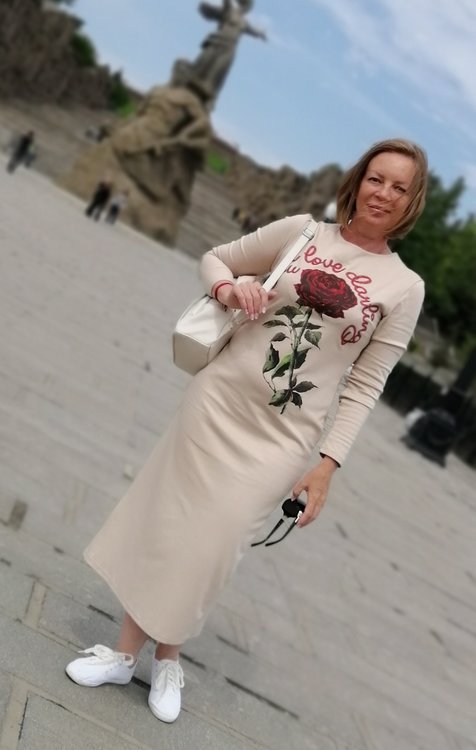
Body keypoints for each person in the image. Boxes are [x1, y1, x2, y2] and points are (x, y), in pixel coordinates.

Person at [65, 139, 428, 724]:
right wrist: (230, 289)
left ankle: (169, 658)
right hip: (218, 403)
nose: (383, 193)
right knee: (170, 525)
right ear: (358, 181)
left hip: (283, 439)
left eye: (399, 187)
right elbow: (217, 258)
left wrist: (327, 466)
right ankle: (128, 655)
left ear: (413, 201)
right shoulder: (303, 231)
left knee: (213, 545)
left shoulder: (404, 288)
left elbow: (365, 384)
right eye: (376, 178)